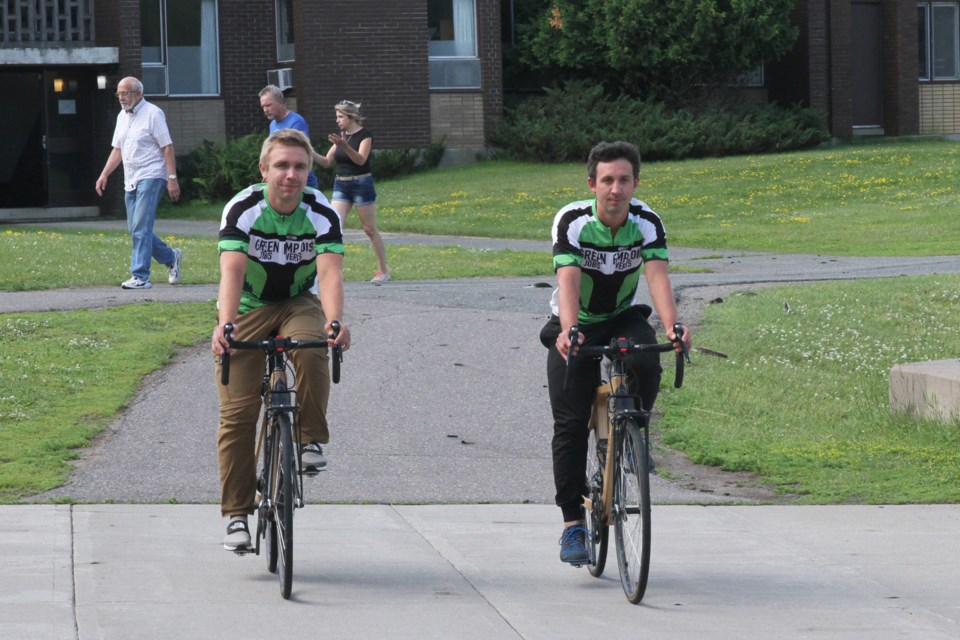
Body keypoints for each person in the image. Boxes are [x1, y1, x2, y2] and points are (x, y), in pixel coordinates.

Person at [539, 141, 692, 565]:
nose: (615, 189)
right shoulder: (572, 220)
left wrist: (672, 326)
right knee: (569, 423)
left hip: (622, 315)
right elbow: (568, 279)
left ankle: (632, 434)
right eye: (607, 180)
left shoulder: (645, 221)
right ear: (592, 184)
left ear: (635, 183)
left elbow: (658, 276)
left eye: (624, 180)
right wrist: (570, 331)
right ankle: (572, 525)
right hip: (578, 320)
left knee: (647, 358)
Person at [210, 129, 351, 551]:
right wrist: (226, 325)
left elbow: (329, 274)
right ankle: (237, 514)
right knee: (236, 417)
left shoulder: (322, 212)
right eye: (282, 166)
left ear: (310, 171)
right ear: (263, 170)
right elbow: (232, 272)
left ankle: (308, 439)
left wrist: (335, 322)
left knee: (312, 346)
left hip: (296, 302)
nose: (291, 175)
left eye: (300, 167)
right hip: (249, 306)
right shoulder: (243, 208)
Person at [96, 76, 183, 290]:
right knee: (134, 227)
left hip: (152, 175)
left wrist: (172, 179)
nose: (121, 98)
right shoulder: (122, 117)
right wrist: (104, 174)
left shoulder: (153, 114)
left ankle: (140, 276)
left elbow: (167, 147)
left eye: (125, 93)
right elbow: (118, 149)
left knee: (141, 227)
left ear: (138, 93)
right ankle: (171, 257)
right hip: (131, 177)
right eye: (119, 94)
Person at [315, 100, 390, 283]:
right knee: (333, 226)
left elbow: (360, 160)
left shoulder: (365, 135)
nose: (337, 121)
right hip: (341, 185)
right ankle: (331, 271)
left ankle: (383, 270)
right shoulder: (342, 137)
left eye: (340, 117)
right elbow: (326, 162)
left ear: (351, 117)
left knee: (369, 229)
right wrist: (307, 150)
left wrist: (344, 146)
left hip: (361, 184)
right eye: (337, 117)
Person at [258, 84, 320, 188]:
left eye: (268, 105)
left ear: (281, 103)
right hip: (282, 180)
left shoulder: (296, 122)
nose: (265, 110)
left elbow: (298, 153)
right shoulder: (272, 125)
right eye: (263, 106)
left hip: (302, 182)